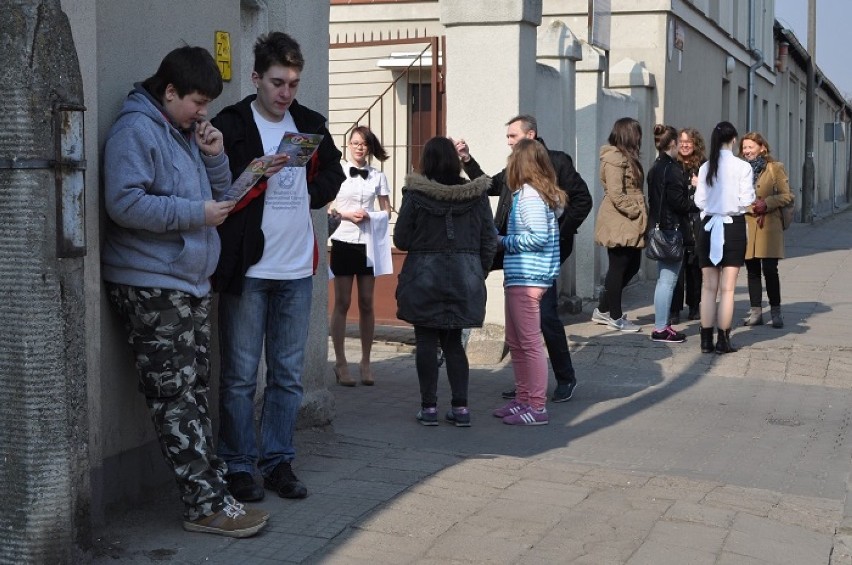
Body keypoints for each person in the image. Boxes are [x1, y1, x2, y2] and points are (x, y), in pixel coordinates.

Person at [102, 46, 268, 537]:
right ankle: (203, 506)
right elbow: (124, 203)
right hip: (151, 283)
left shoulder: (182, 132)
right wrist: (194, 214)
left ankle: (215, 496)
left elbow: (214, 195)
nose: (203, 113)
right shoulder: (135, 129)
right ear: (169, 91)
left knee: (194, 392)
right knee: (175, 397)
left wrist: (215, 155)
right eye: (197, 102)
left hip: (187, 282)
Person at [212, 32, 345, 503]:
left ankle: (278, 462)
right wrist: (256, 174)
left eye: (293, 82)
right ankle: (237, 465)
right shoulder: (231, 124)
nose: (286, 92)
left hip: (295, 269)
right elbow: (216, 188)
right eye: (277, 82)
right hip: (248, 268)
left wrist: (310, 189)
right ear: (255, 79)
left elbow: (335, 174)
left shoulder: (309, 123)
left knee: (287, 375)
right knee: (240, 376)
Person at [456, 114, 592, 403]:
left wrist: (559, 233)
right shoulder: (515, 166)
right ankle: (525, 387)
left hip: (537, 261)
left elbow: (583, 200)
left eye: (512, 136)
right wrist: (467, 160)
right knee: (518, 326)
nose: (508, 142)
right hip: (514, 253)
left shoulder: (558, 162)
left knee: (545, 319)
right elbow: (489, 186)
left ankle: (562, 380)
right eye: (507, 137)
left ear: (530, 135)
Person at [393, 137, 497, 427]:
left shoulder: (415, 195)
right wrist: (478, 270)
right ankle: (461, 408)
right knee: (454, 343)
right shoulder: (475, 194)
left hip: (424, 275)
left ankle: (428, 408)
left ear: (426, 160)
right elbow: (489, 239)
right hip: (465, 275)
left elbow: (400, 238)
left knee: (426, 340)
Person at [492, 139, 565, 426]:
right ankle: (523, 399)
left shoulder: (531, 197)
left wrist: (502, 241)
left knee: (530, 344)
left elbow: (538, 237)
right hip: (521, 277)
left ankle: (536, 406)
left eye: (512, 158)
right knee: (517, 342)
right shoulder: (529, 194)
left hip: (528, 277)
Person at [329, 126, 392, 386]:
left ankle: (366, 362)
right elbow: (327, 205)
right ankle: (341, 363)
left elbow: (387, 211)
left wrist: (371, 215)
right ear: (348, 146)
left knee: (367, 302)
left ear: (369, 147)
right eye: (354, 143)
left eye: (363, 144)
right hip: (343, 240)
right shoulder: (337, 172)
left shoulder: (378, 175)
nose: (359, 147)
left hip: (368, 243)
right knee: (342, 302)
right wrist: (345, 215)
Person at [694, 121, 755, 353]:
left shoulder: (706, 167)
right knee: (728, 289)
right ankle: (723, 340)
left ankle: (705, 341)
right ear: (734, 140)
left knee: (708, 288)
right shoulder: (743, 167)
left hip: (708, 225)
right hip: (733, 226)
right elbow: (746, 200)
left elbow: (699, 201)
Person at [591, 117, 648, 332]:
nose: (640, 139)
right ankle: (614, 316)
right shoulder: (615, 158)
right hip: (620, 219)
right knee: (618, 266)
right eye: (637, 134)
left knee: (631, 266)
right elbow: (616, 192)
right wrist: (634, 211)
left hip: (628, 219)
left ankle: (604, 309)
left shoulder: (626, 157)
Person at [739, 132, 794, 329]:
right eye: (744, 148)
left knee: (770, 270)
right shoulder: (739, 169)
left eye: (750, 147)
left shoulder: (775, 168)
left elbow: (787, 196)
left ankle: (776, 311)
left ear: (762, 147)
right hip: (747, 225)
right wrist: (748, 207)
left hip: (769, 226)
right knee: (752, 270)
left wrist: (767, 203)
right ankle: (756, 313)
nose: (746, 151)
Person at [646, 124, 692, 343]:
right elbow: (679, 203)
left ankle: (662, 325)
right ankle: (661, 328)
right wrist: (696, 199)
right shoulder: (672, 169)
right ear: (672, 143)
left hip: (659, 227)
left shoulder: (655, 167)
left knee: (663, 280)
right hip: (671, 230)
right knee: (667, 281)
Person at [670, 128, 706, 323]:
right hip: (678, 221)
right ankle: (674, 310)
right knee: (677, 267)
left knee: (695, 267)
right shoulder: (672, 164)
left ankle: (694, 306)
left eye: (688, 142)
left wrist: (700, 184)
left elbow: (713, 191)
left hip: (697, 221)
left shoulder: (703, 166)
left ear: (695, 144)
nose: (684, 145)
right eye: (681, 142)